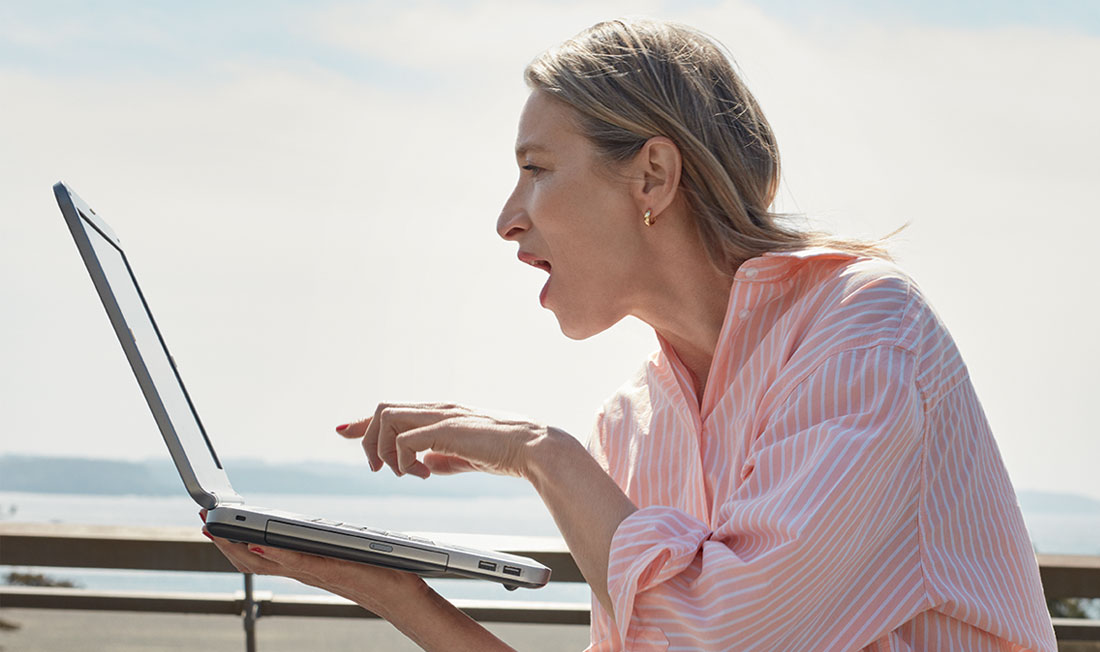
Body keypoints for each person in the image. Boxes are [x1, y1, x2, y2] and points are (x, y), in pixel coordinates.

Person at [203, 18, 1057, 651]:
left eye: (536, 170)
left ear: (651, 175)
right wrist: (392, 593)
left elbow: (721, 637)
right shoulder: (636, 420)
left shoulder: (865, 333)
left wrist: (539, 452)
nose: (507, 219)